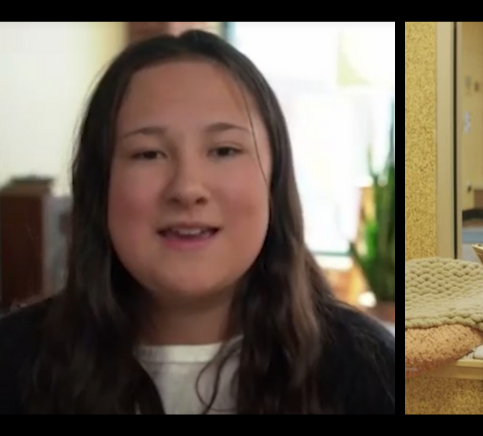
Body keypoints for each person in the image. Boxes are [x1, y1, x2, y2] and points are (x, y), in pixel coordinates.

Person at [0, 30, 394, 415]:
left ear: (273, 180)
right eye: (148, 154)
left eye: (224, 150)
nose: (187, 188)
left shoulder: (375, 373)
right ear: (99, 185)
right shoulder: (14, 364)